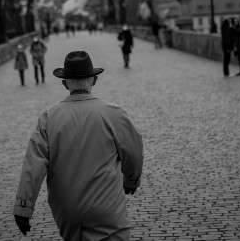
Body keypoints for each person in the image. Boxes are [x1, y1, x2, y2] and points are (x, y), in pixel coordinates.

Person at [13, 51, 143, 240]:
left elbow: (33, 164)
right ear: (95, 80)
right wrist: (131, 179)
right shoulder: (114, 113)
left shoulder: (48, 118)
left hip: (67, 210)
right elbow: (134, 151)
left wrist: (24, 206)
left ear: (65, 83)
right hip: (107, 207)